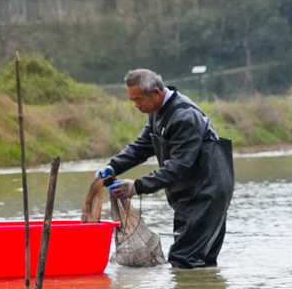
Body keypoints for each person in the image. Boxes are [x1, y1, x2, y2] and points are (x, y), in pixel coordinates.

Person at [97, 69, 234, 269]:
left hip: (207, 193)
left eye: (139, 99)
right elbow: (142, 146)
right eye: (132, 100)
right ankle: (205, 287)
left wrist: (137, 186)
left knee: (184, 259)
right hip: (189, 193)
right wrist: (113, 166)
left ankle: (198, 288)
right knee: (195, 260)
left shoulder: (184, 116)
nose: (136, 105)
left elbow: (179, 166)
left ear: (156, 92)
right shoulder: (157, 113)